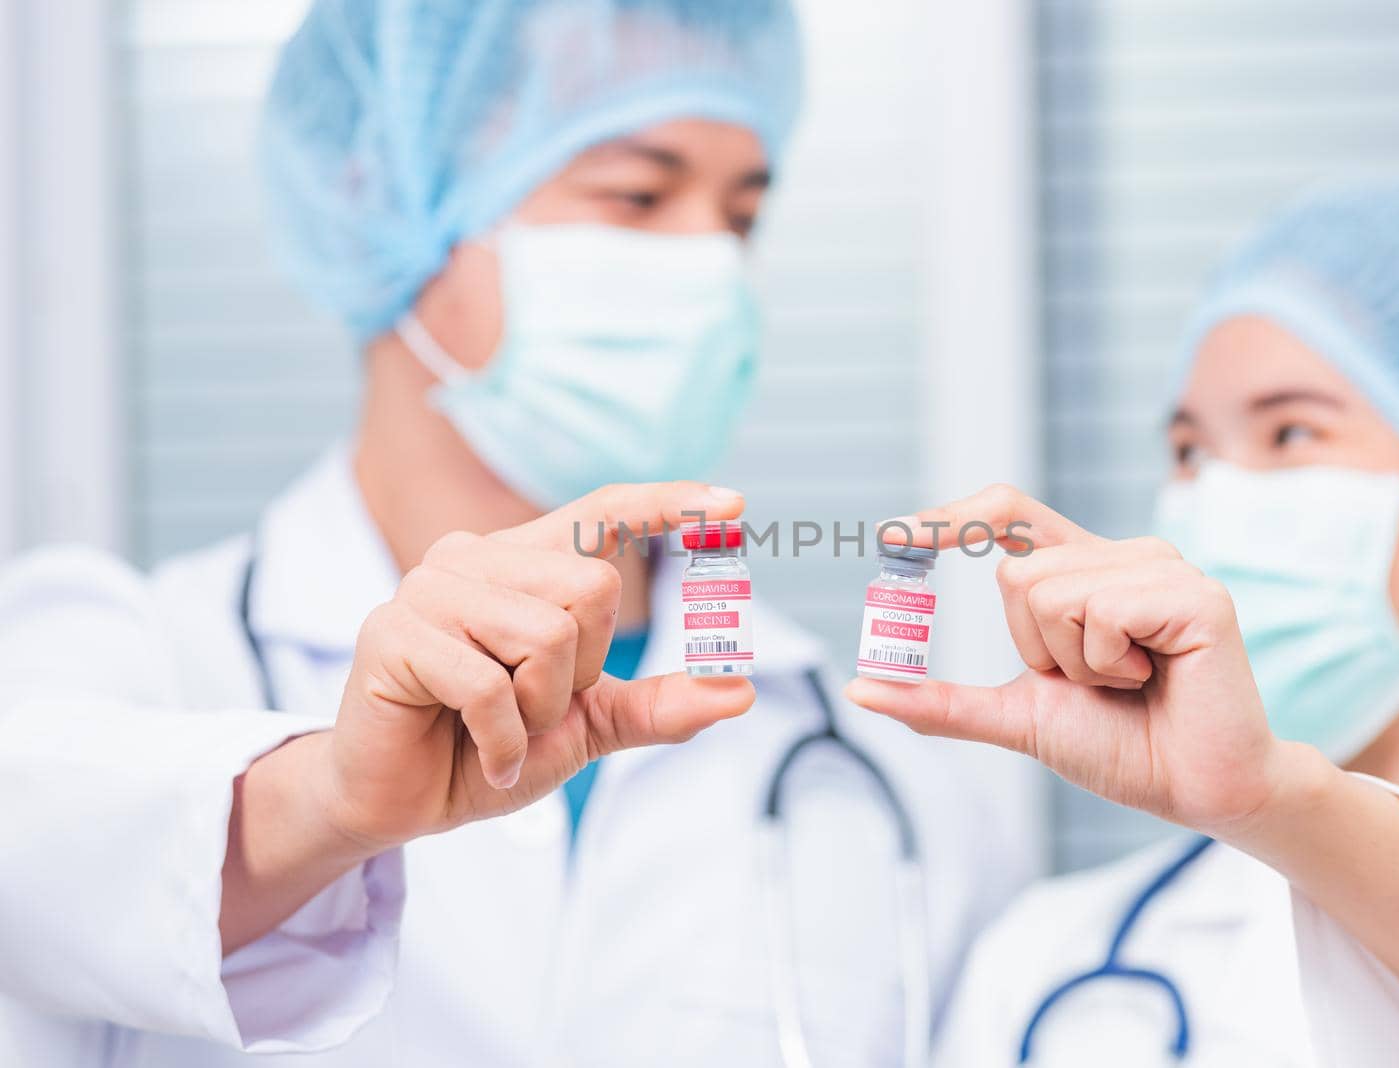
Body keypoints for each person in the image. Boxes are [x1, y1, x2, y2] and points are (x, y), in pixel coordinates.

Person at [0, 3, 1035, 1064]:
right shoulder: (128, 658)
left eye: (740, 216)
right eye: (637, 194)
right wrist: (322, 800)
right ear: (384, 191)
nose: (713, 266)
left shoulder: (890, 790)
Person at [848, 176, 1399, 1066]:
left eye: (1290, 435)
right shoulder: (1052, 967)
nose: (1214, 498)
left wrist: (1273, 803)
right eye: (1190, 452)